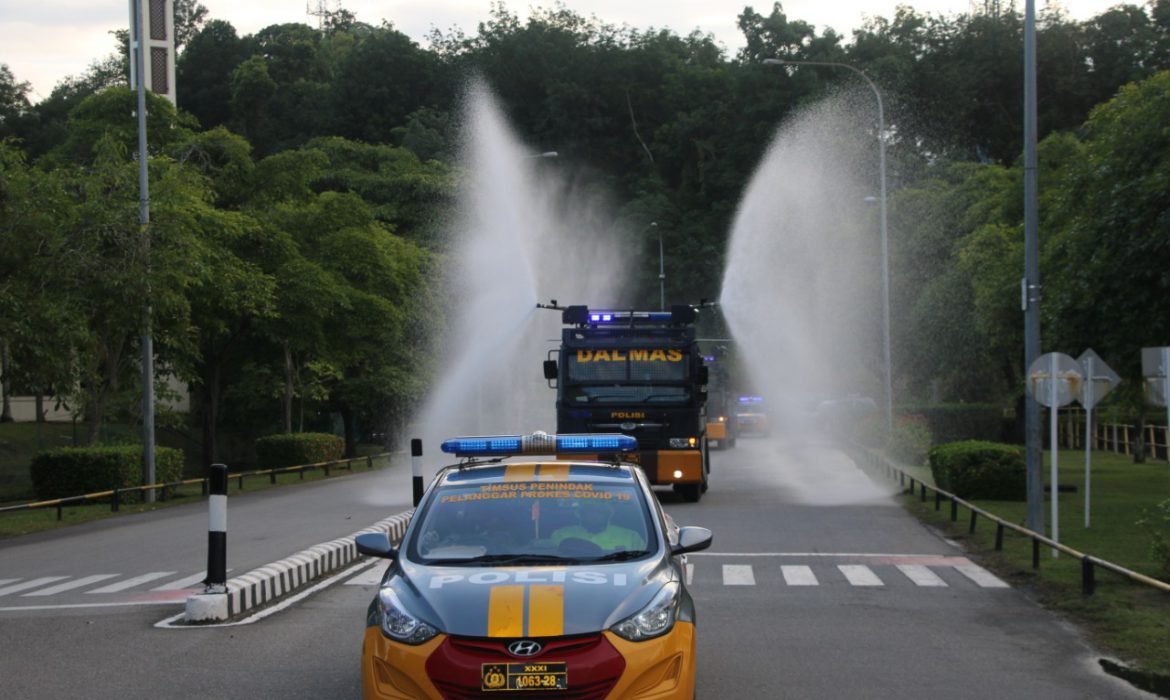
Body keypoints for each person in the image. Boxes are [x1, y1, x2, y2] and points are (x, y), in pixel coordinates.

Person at [551, 501, 645, 552]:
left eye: (599, 512)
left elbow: (645, 562)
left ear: (608, 515)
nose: (594, 515)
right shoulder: (562, 534)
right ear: (581, 514)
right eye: (589, 511)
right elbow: (544, 550)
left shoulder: (631, 536)